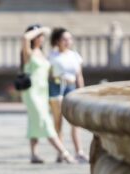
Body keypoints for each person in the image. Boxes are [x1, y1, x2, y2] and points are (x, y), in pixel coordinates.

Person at [20, 24, 75, 164]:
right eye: (39, 36)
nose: (41, 38)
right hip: (31, 92)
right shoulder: (28, 52)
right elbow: (25, 38)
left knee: (34, 121)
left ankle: (33, 154)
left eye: (42, 36)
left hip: (43, 92)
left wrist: (62, 77)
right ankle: (64, 153)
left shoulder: (42, 53)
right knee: (45, 122)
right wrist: (40, 29)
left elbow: (50, 74)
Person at [48, 28, 88, 163]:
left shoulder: (74, 55)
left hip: (71, 88)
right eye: (64, 39)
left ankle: (79, 151)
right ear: (58, 41)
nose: (67, 42)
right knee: (58, 121)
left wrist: (81, 91)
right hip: (57, 88)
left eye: (69, 39)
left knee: (75, 122)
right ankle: (61, 152)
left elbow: (79, 75)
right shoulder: (52, 56)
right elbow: (48, 74)